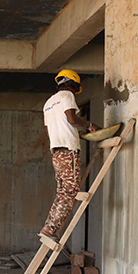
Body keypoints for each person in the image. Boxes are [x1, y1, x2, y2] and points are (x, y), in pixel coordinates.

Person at [41, 69, 97, 239]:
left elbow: (51, 131)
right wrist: (89, 125)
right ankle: (51, 228)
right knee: (70, 191)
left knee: (62, 191)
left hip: (56, 152)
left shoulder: (48, 103)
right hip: (68, 151)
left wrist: (75, 134)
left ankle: (49, 226)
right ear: (72, 85)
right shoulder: (67, 95)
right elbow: (72, 119)